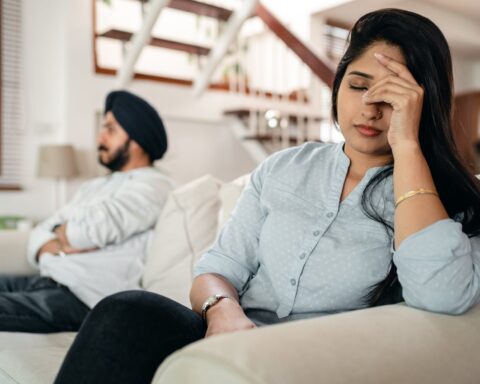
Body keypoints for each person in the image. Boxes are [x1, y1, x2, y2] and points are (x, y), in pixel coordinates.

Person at [54, 9, 480, 383]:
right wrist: (223, 311)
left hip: (307, 360)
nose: (370, 107)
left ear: (421, 103)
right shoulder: (284, 167)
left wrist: (407, 145)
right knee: (125, 311)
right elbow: (218, 268)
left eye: (391, 95)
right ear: (337, 87)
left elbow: (442, 295)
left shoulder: (446, 200)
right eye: (358, 85)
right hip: (228, 335)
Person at [0, 90, 173, 333]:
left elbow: (84, 232)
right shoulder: (95, 186)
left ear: (137, 140)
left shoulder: (154, 186)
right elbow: (39, 234)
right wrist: (62, 244)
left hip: (81, 298)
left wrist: (61, 233)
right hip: (44, 282)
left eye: (110, 130)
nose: (100, 137)